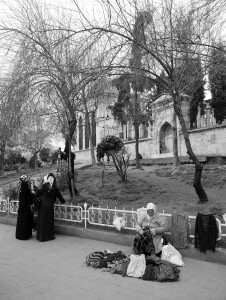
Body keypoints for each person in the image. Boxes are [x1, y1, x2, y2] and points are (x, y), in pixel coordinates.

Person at [36, 173, 66, 242]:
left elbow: (38, 194)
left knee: (43, 221)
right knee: (49, 221)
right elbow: (59, 195)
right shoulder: (54, 187)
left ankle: (42, 237)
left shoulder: (44, 185)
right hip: (50, 206)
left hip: (43, 205)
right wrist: (63, 201)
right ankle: (49, 236)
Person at [16, 175, 35, 240]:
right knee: (25, 221)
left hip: (21, 207)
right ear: (25, 180)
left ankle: (20, 234)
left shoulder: (21, 187)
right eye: (27, 179)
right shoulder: (26, 188)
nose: (28, 179)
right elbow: (29, 197)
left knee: (21, 221)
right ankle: (24, 235)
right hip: (25, 207)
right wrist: (32, 193)